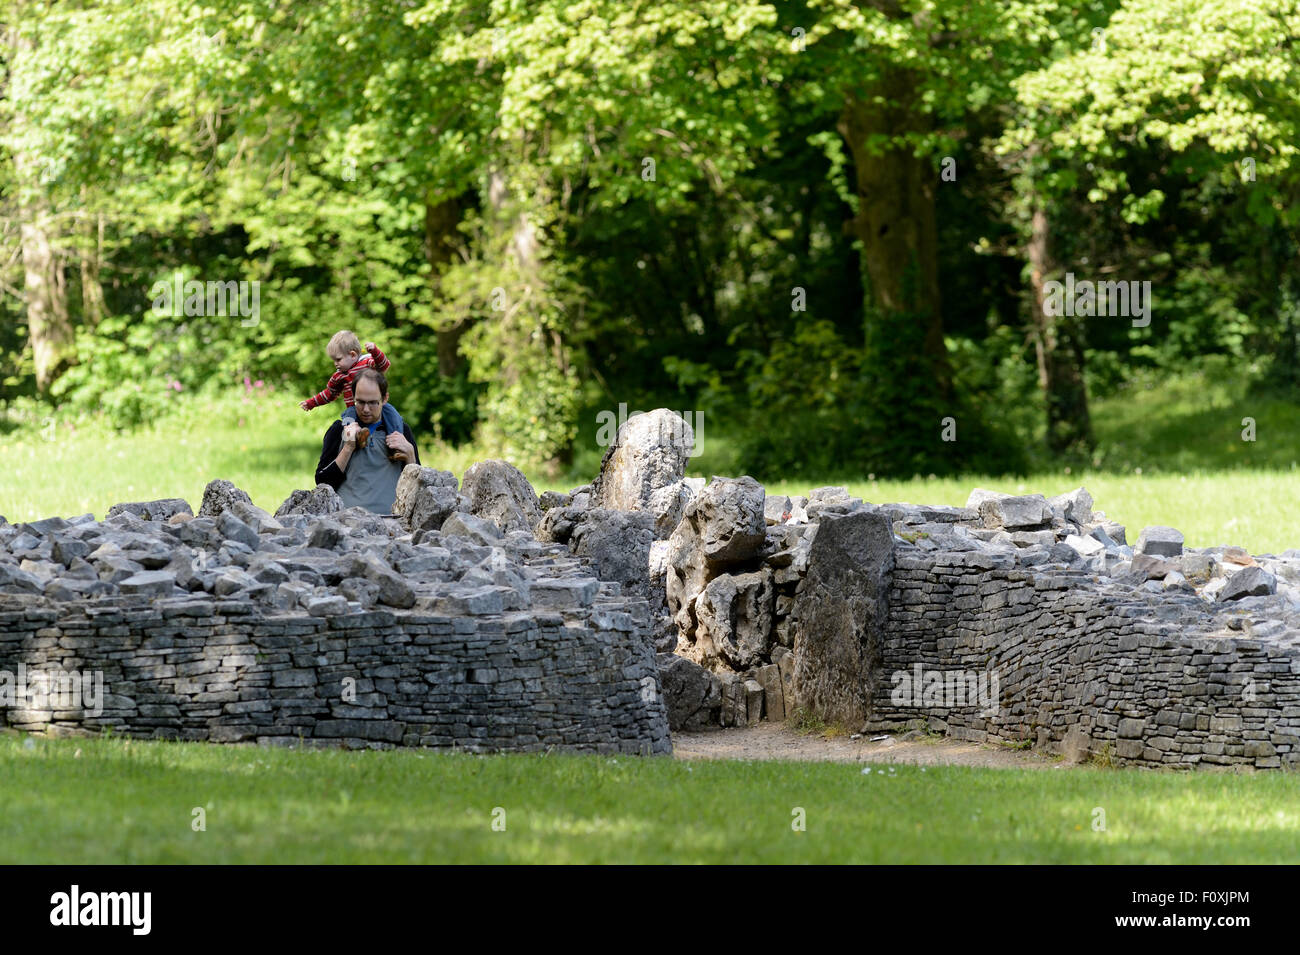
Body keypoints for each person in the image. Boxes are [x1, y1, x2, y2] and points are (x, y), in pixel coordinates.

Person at [314, 369, 419, 513]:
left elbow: (418, 489)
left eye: (373, 403)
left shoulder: (401, 431)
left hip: (393, 523)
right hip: (346, 522)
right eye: (360, 402)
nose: (366, 409)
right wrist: (348, 447)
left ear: (385, 398)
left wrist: (411, 455)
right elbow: (322, 483)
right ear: (353, 398)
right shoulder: (339, 430)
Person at [299, 329, 405, 437]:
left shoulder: (366, 363)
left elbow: (384, 365)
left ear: (353, 355)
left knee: (392, 415)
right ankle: (357, 438)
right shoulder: (338, 376)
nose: (335, 364)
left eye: (338, 359)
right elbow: (329, 393)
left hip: (376, 404)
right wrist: (311, 403)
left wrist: (375, 351)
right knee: (348, 419)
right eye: (334, 360)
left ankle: (396, 440)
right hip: (353, 408)